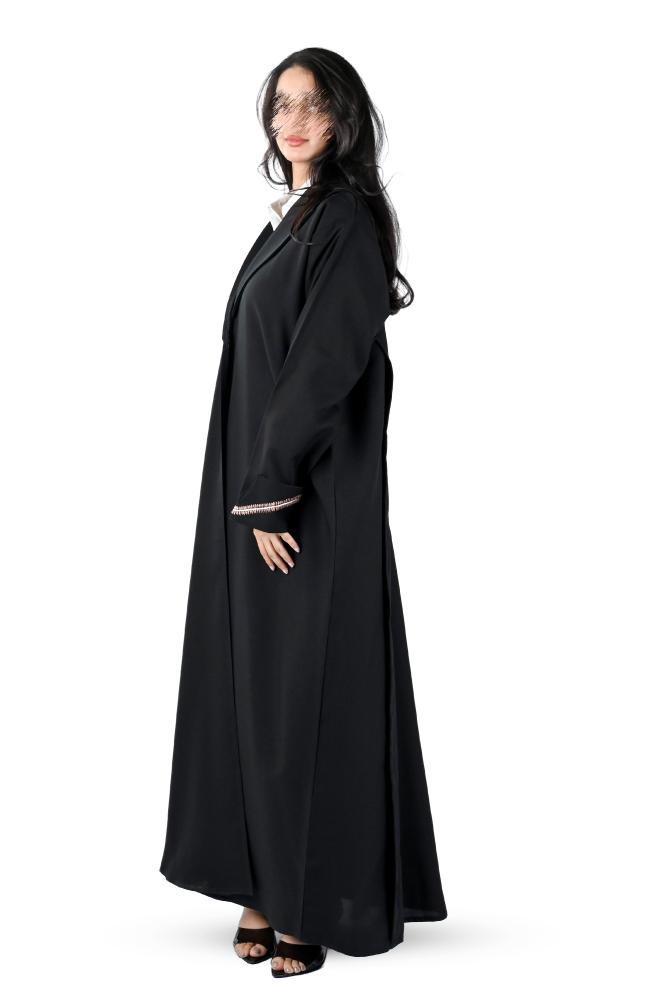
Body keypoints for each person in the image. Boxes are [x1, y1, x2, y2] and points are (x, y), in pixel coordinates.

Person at [159, 47, 447, 978]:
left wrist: (273, 485)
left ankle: (306, 901)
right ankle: (261, 882)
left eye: (315, 104)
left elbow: (324, 364)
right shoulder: (290, 222)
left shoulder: (346, 222)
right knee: (255, 692)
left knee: (304, 698)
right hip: (256, 496)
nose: (294, 120)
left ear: (344, 119)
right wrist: (253, 492)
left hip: (305, 503)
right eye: (282, 104)